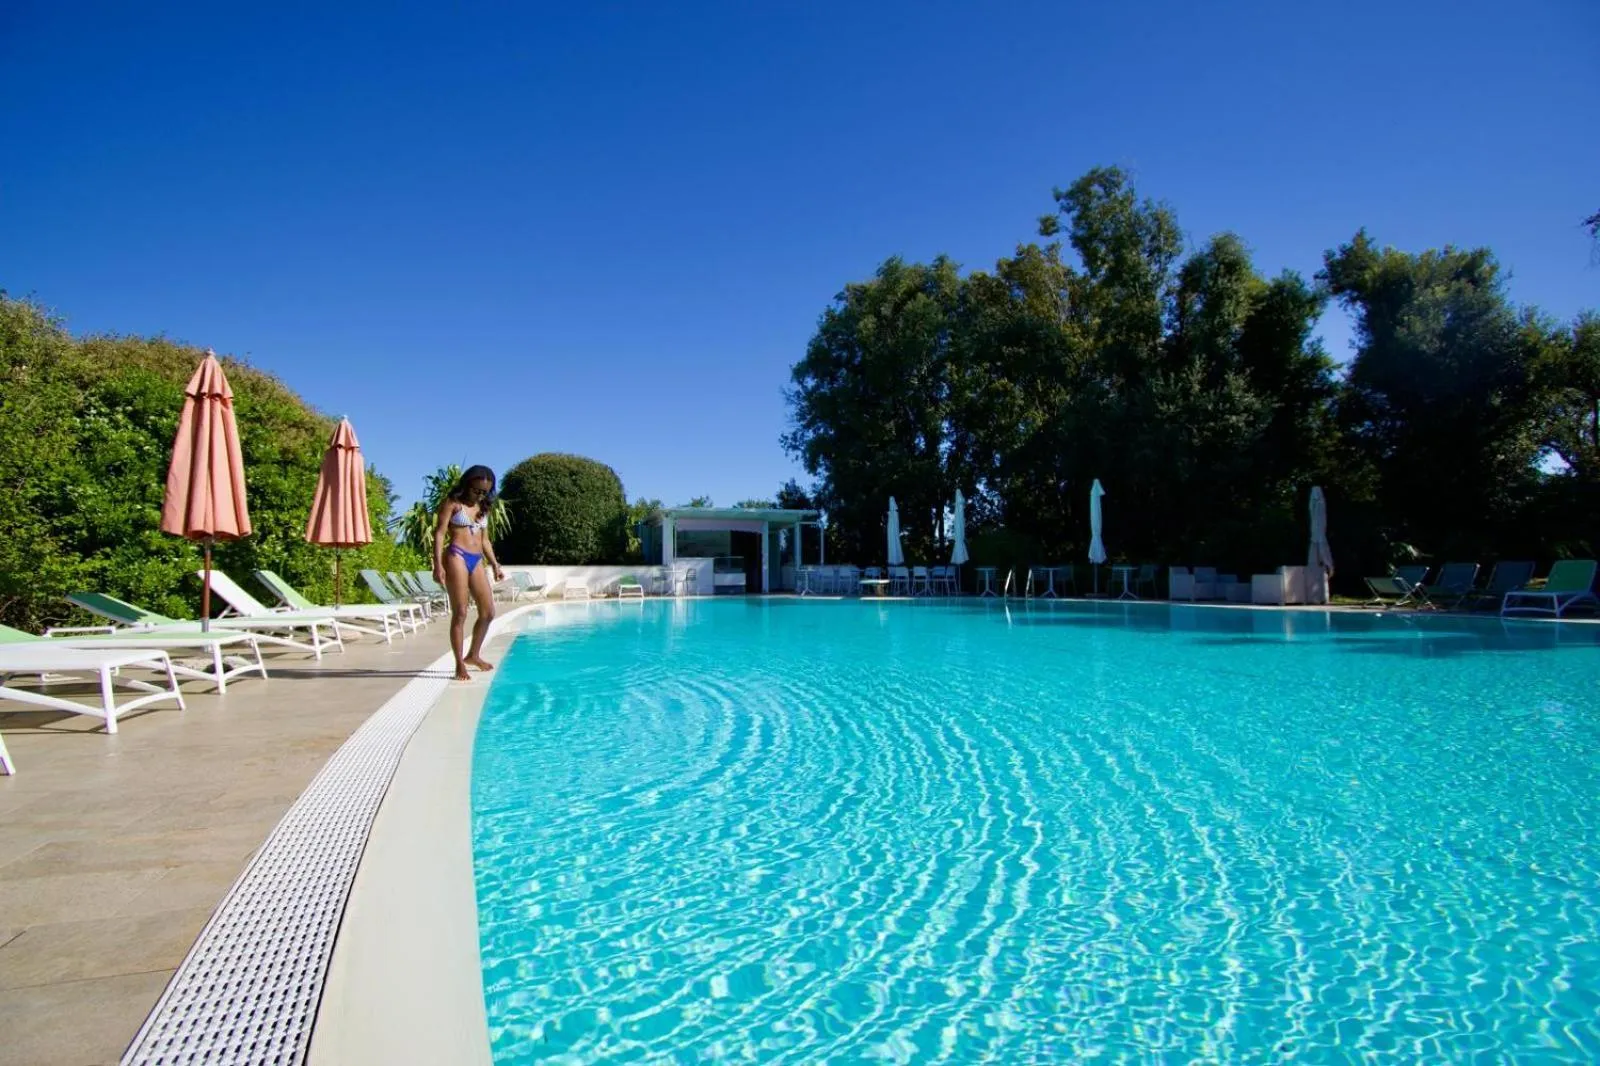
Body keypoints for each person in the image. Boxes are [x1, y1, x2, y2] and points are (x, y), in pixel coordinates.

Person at [432, 465, 505, 681]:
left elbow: (485, 540)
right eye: (476, 490)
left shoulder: (483, 507)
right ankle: (459, 665)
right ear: (467, 485)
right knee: (461, 612)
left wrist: (495, 564)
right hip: (457, 555)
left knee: (488, 612)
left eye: (484, 492)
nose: (480, 495)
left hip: (476, 559)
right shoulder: (452, 503)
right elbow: (439, 533)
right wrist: (437, 564)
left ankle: (473, 655)